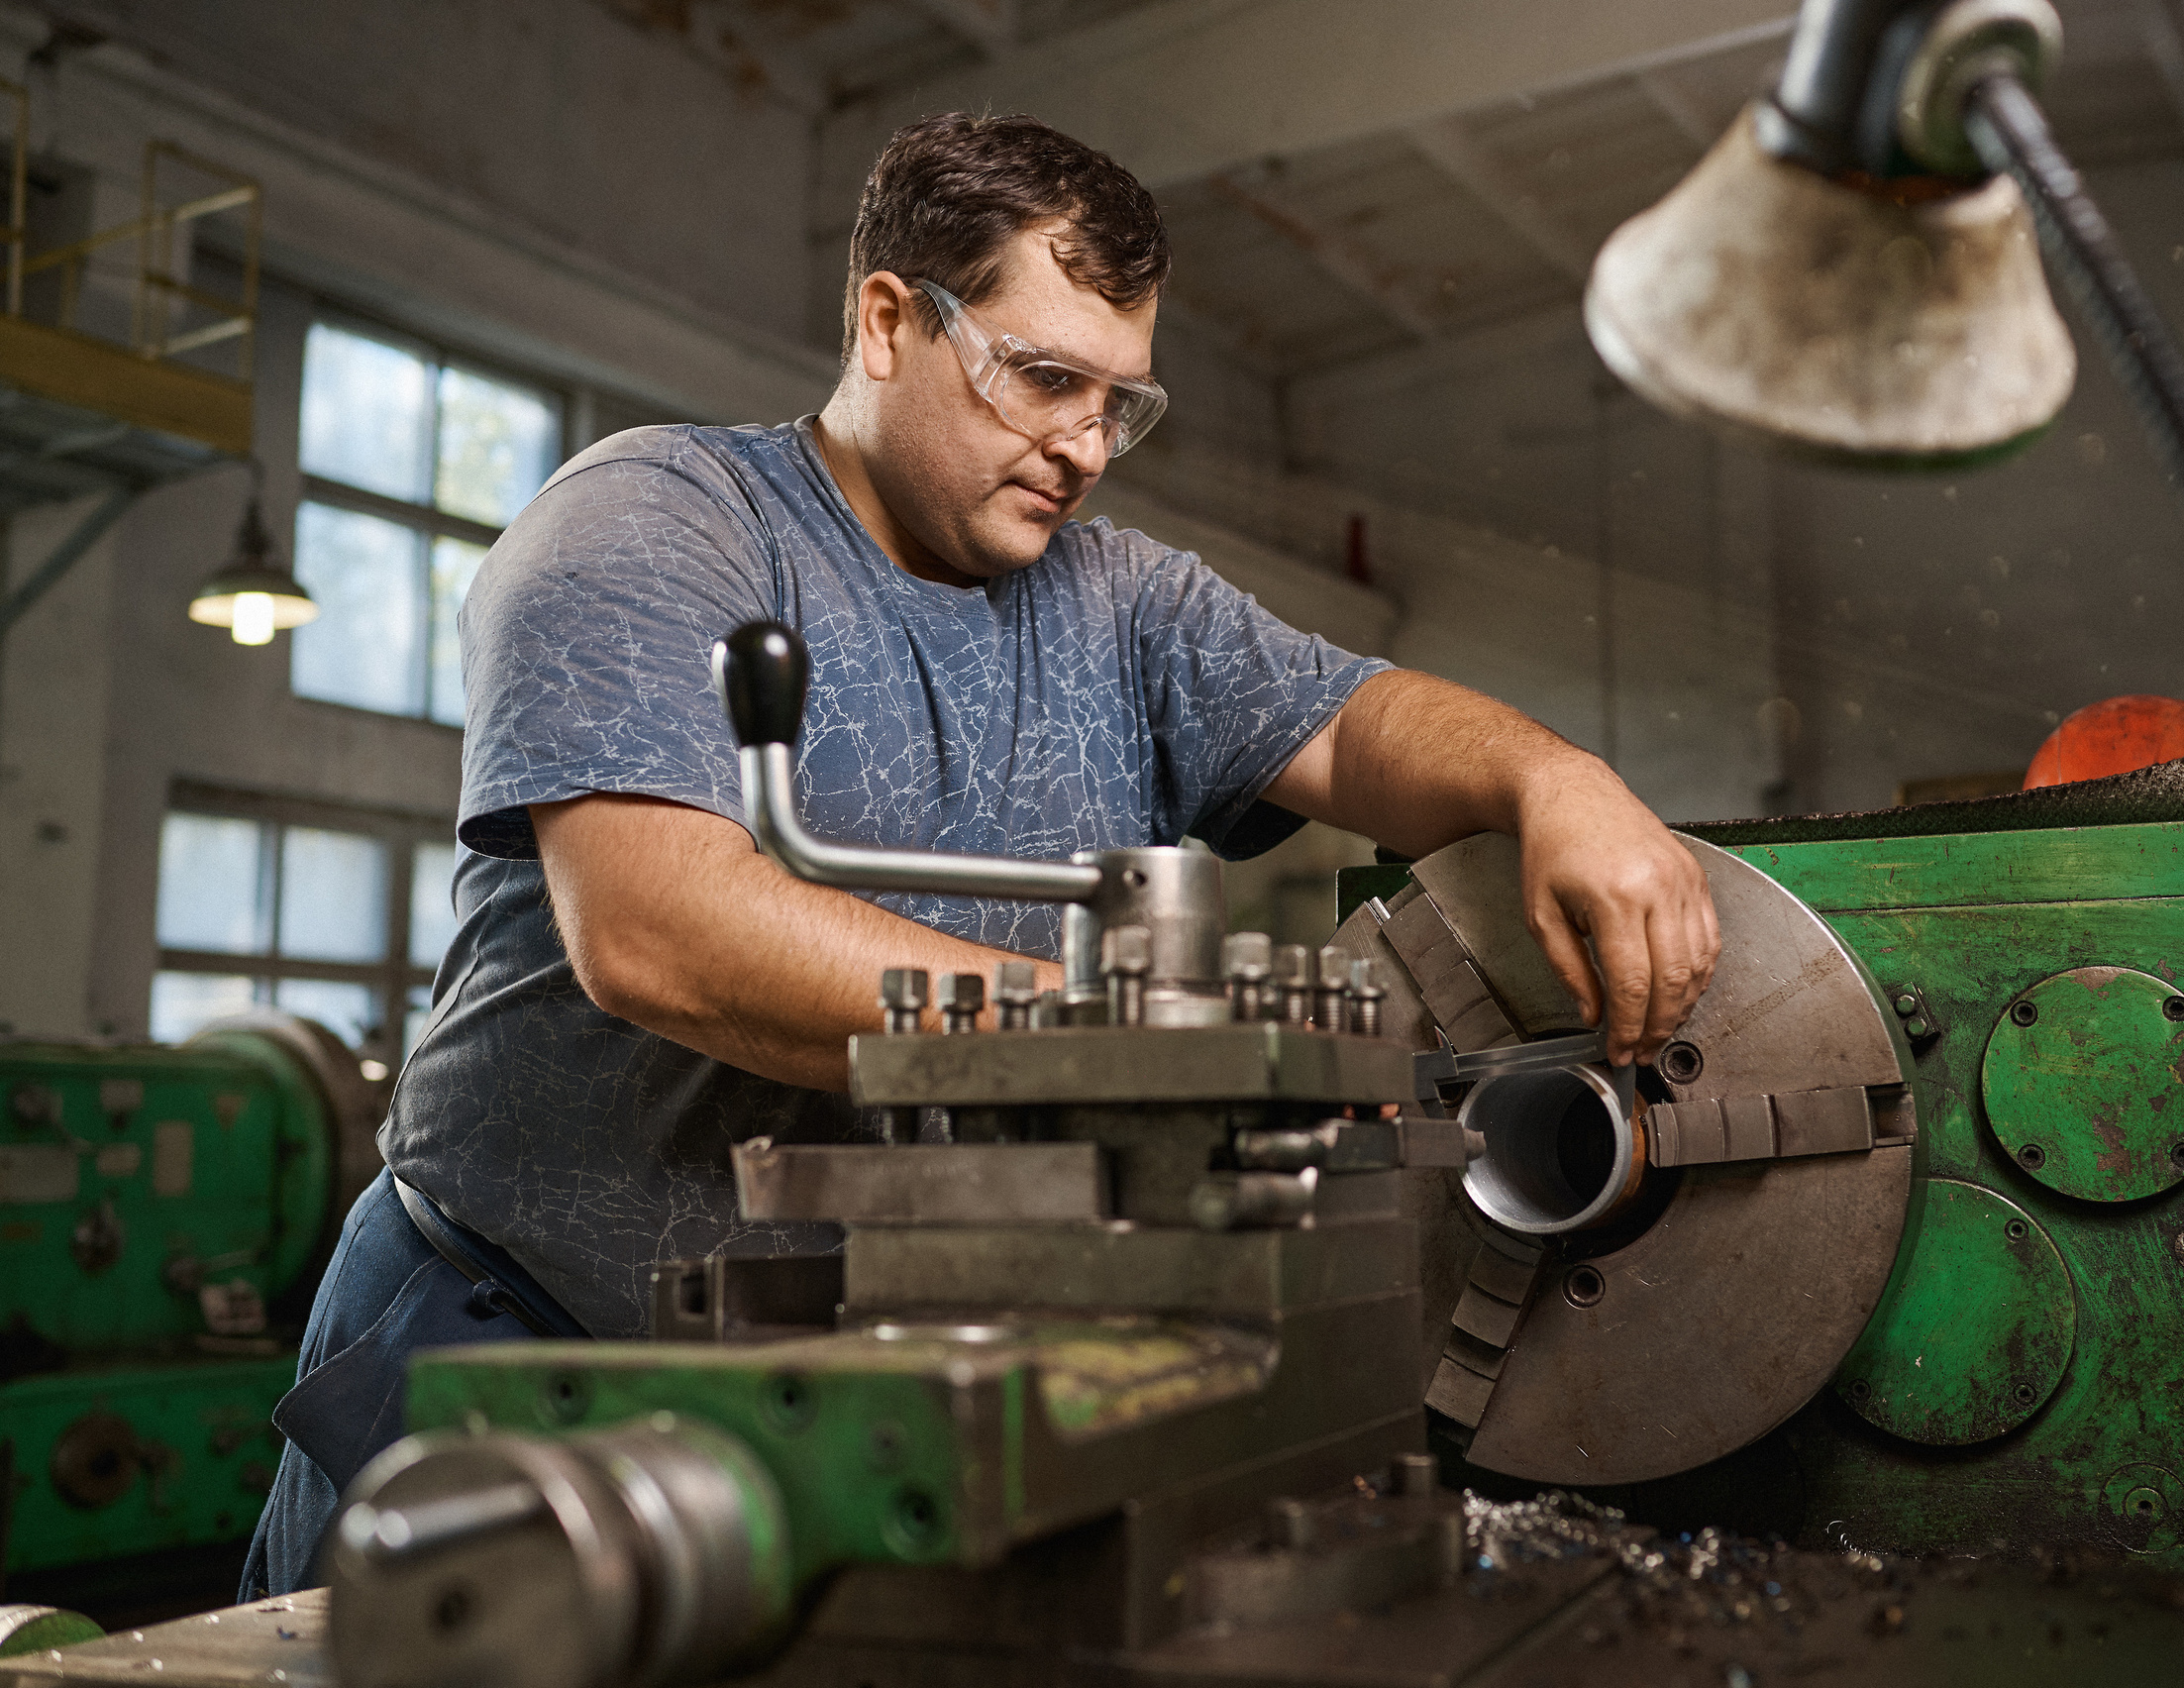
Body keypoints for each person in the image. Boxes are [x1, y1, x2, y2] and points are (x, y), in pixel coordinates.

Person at [241, 111, 1719, 1596]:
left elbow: (1358, 727)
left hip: (891, 1396)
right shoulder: (656, 522)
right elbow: (658, 934)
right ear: (890, 319)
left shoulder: (1131, 603)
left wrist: (1554, 776)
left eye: (1121, 405)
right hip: (531, 1349)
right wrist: (1124, 1039)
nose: (1083, 446)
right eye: (1045, 378)